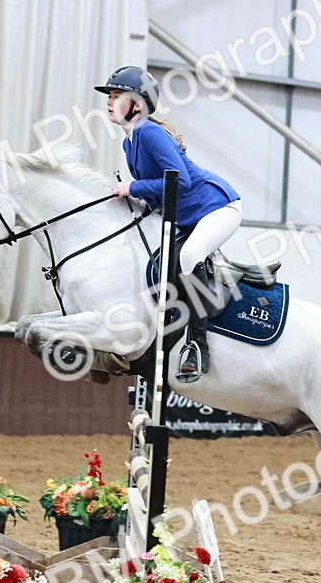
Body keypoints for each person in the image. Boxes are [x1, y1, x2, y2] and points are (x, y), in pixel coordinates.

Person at [96, 65, 243, 383]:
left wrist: (132, 188)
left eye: (117, 95)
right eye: (109, 95)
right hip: (187, 215)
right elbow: (158, 189)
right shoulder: (129, 142)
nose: (109, 100)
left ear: (138, 103)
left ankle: (198, 347)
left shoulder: (148, 131)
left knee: (189, 257)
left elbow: (182, 182)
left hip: (218, 207)